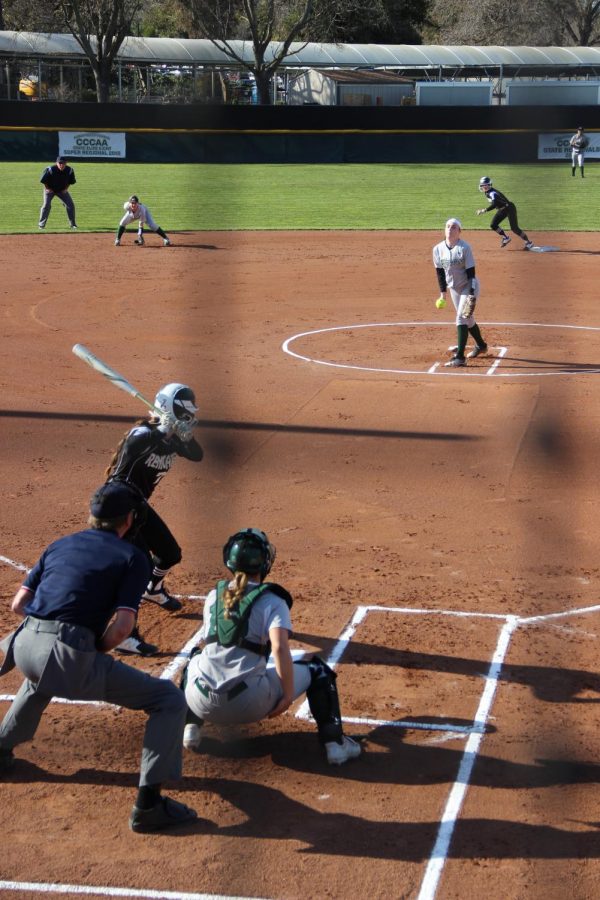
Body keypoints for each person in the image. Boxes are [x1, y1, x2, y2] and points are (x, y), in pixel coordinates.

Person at [0, 482, 197, 833]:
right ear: (130, 519)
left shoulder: (60, 543)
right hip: (67, 653)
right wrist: (93, 648)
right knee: (167, 700)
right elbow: (122, 628)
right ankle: (149, 804)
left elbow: (18, 605)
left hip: (23, 642)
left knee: (41, 676)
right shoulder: (132, 557)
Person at [181, 528, 362, 766]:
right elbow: (279, 649)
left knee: (196, 656)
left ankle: (191, 728)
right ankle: (335, 746)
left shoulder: (214, 596)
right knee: (318, 670)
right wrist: (287, 696)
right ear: (264, 563)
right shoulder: (272, 602)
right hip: (248, 703)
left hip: (200, 700)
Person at [104, 383, 203, 657]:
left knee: (170, 553)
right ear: (170, 408)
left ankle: (153, 589)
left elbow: (198, 455)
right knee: (137, 567)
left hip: (138, 505)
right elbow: (140, 441)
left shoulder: (172, 437)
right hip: (118, 507)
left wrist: (183, 436)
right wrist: (163, 430)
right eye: (184, 412)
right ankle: (125, 635)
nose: (188, 418)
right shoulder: (142, 433)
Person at [433, 218, 488, 368]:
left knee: (461, 317)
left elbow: (471, 272)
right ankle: (481, 346)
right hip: (454, 288)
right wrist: (442, 293)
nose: (450, 229)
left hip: (469, 286)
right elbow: (440, 273)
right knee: (468, 319)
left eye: (454, 227)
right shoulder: (438, 249)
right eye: (448, 226)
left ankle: (459, 357)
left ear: (459, 232)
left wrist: (471, 293)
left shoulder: (464, 247)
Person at [476, 176, 534, 250]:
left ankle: (529, 243)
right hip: (502, 209)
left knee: (514, 228)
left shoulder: (492, 193)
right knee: (493, 225)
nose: (484, 186)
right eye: (483, 185)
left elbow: (495, 204)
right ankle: (506, 238)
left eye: (486, 185)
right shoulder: (487, 192)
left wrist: (484, 210)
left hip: (509, 208)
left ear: (489, 185)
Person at [39, 156, 77, 230]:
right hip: (50, 190)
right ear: (56, 163)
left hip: (61, 190)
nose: (61, 165)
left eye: (63, 163)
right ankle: (41, 225)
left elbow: (70, 181)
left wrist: (66, 189)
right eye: (60, 163)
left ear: (66, 163)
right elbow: (44, 181)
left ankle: (73, 225)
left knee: (70, 205)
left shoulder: (70, 170)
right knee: (46, 205)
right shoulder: (50, 169)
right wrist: (48, 189)